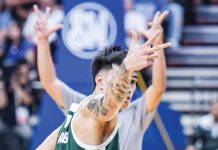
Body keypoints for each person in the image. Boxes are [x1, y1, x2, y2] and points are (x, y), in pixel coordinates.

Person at [34, 5, 171, 150]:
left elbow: (158, 87)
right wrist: (126, 68)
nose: (128, 87)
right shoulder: (87, 106)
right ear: (99, 81)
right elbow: (50, 82)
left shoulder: (135, 111)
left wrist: (157, 43)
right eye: (119, 76)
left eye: (132, 81)